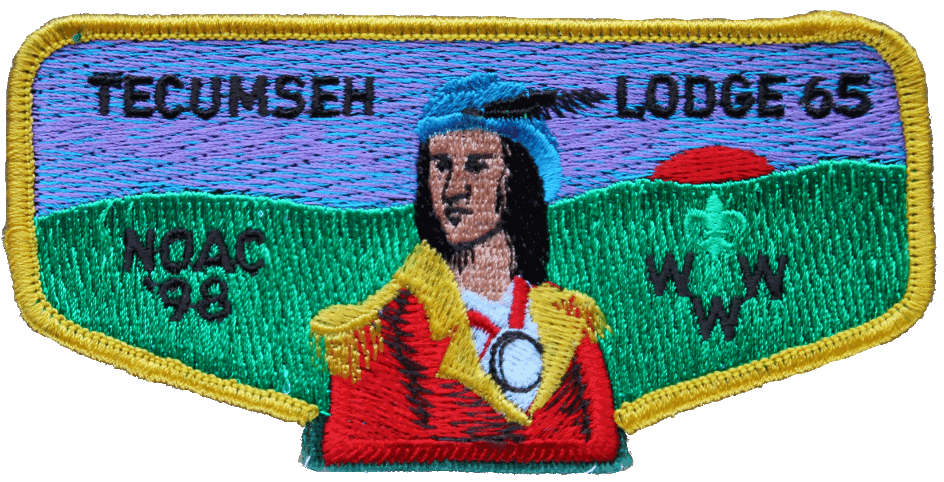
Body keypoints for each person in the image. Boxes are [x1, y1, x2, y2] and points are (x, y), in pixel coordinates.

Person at [309, 73, 621, 467]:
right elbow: (353, 453)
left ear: (517, 178)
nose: (454, 188)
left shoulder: (572, 324)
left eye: (477, 165)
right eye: (441, 166)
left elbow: (601, 447)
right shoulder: (377, 336)